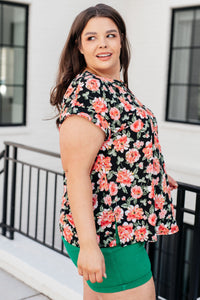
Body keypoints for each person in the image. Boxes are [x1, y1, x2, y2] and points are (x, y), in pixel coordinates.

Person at [50, 3, 179, 300]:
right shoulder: (90, 90)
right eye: (91, 37)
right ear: (79, 46)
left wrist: (154, 172)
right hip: (108, 236)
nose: (103, 44)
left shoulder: (113, 85)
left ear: (121, 39)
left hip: (116, 230)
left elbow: (118, 146)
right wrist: (90, 247)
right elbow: (76, 172)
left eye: (110, 35)